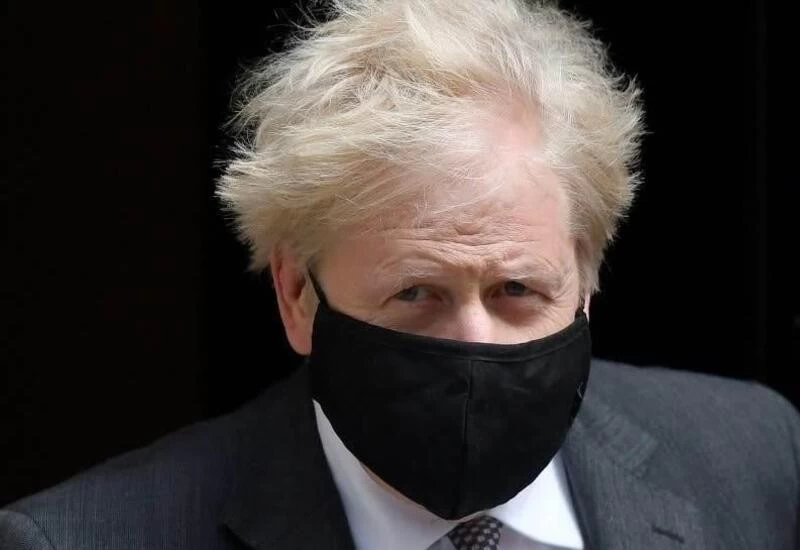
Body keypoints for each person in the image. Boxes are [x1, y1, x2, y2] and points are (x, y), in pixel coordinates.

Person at [2, 0, 797, 548]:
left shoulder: (755, 457)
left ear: (586, 285)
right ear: (297, 296)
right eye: (416, 292)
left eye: (517, 290)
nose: (474, 344)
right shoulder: (79, 538)